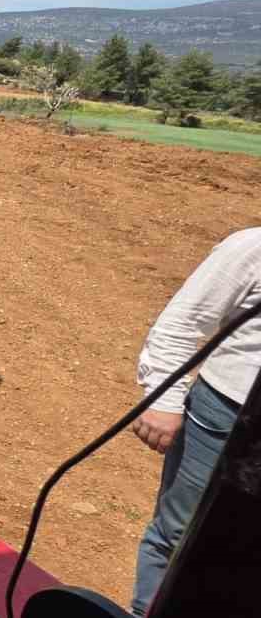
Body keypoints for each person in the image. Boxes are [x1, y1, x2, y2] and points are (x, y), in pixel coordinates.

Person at [129, 227, 261, 616]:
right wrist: (164, 401)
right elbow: (180, 325)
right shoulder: (252, 247)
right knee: (179, 538)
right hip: (224, 419)